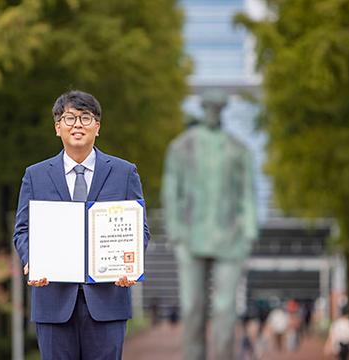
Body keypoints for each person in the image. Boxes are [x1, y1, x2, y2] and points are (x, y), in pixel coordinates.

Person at [13, 90, 150, 359]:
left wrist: (129, 264)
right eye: (69, 118)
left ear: (97, 127)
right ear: (57, 127)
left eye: (86, 118)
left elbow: (139, 229)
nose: (77, 124)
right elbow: (23, 229)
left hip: (108, 299)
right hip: (53, 299)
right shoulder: (35, 175)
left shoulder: (124, 173)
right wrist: (32, 260)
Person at [161, 91, 258, 359]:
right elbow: (171, 192)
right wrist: (177, 234)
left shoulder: (239, 149)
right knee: (192, 307)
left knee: (226, 309)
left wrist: (249, 231)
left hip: (231, 237)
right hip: (192, 236)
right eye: (209, 108)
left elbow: (248, 193)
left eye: (218, 109)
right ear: (203, 109)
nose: (213, 113)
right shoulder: (181, 147)